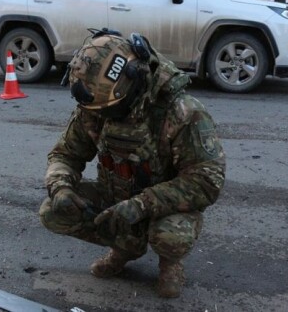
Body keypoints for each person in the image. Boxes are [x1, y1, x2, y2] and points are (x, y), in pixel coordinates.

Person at [39, 30, 226, 298]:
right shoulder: (95, 106)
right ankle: (125, 248)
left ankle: (169, 264)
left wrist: (142, 205)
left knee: (172, 235)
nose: (102, 116)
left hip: (163, 207)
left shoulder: (183, 111)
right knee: (53, 211)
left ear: (131, 87)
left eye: (108, 109)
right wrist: (60, 188)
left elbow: (207, 180)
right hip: (116, 194)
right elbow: (64, 155)